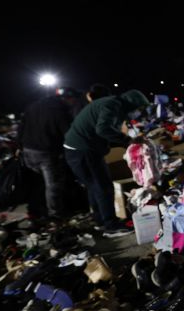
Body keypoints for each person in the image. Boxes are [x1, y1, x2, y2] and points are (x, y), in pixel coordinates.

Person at [63, 89, 149, 237]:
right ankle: (111, 226)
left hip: (78, 149)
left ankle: (100, 221)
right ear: (132, 104)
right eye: (139, 108)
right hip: (83, 150)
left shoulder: (111, 103)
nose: (138, 112)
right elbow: (103, 129)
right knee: (103, 187)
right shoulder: (112, 105)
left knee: (93, 186)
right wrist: (126, 141)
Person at [18, 87, 80, 223]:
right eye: (73, 100)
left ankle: (37, 211)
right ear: (68, 98)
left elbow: (21, 127)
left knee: (38, 184)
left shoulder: (33, 106)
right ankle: (55, 215)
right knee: (53, 185)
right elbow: (68, 133)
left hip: (28, 151)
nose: (73, 104)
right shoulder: (60, 111)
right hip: (46, 153)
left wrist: (20, 146)